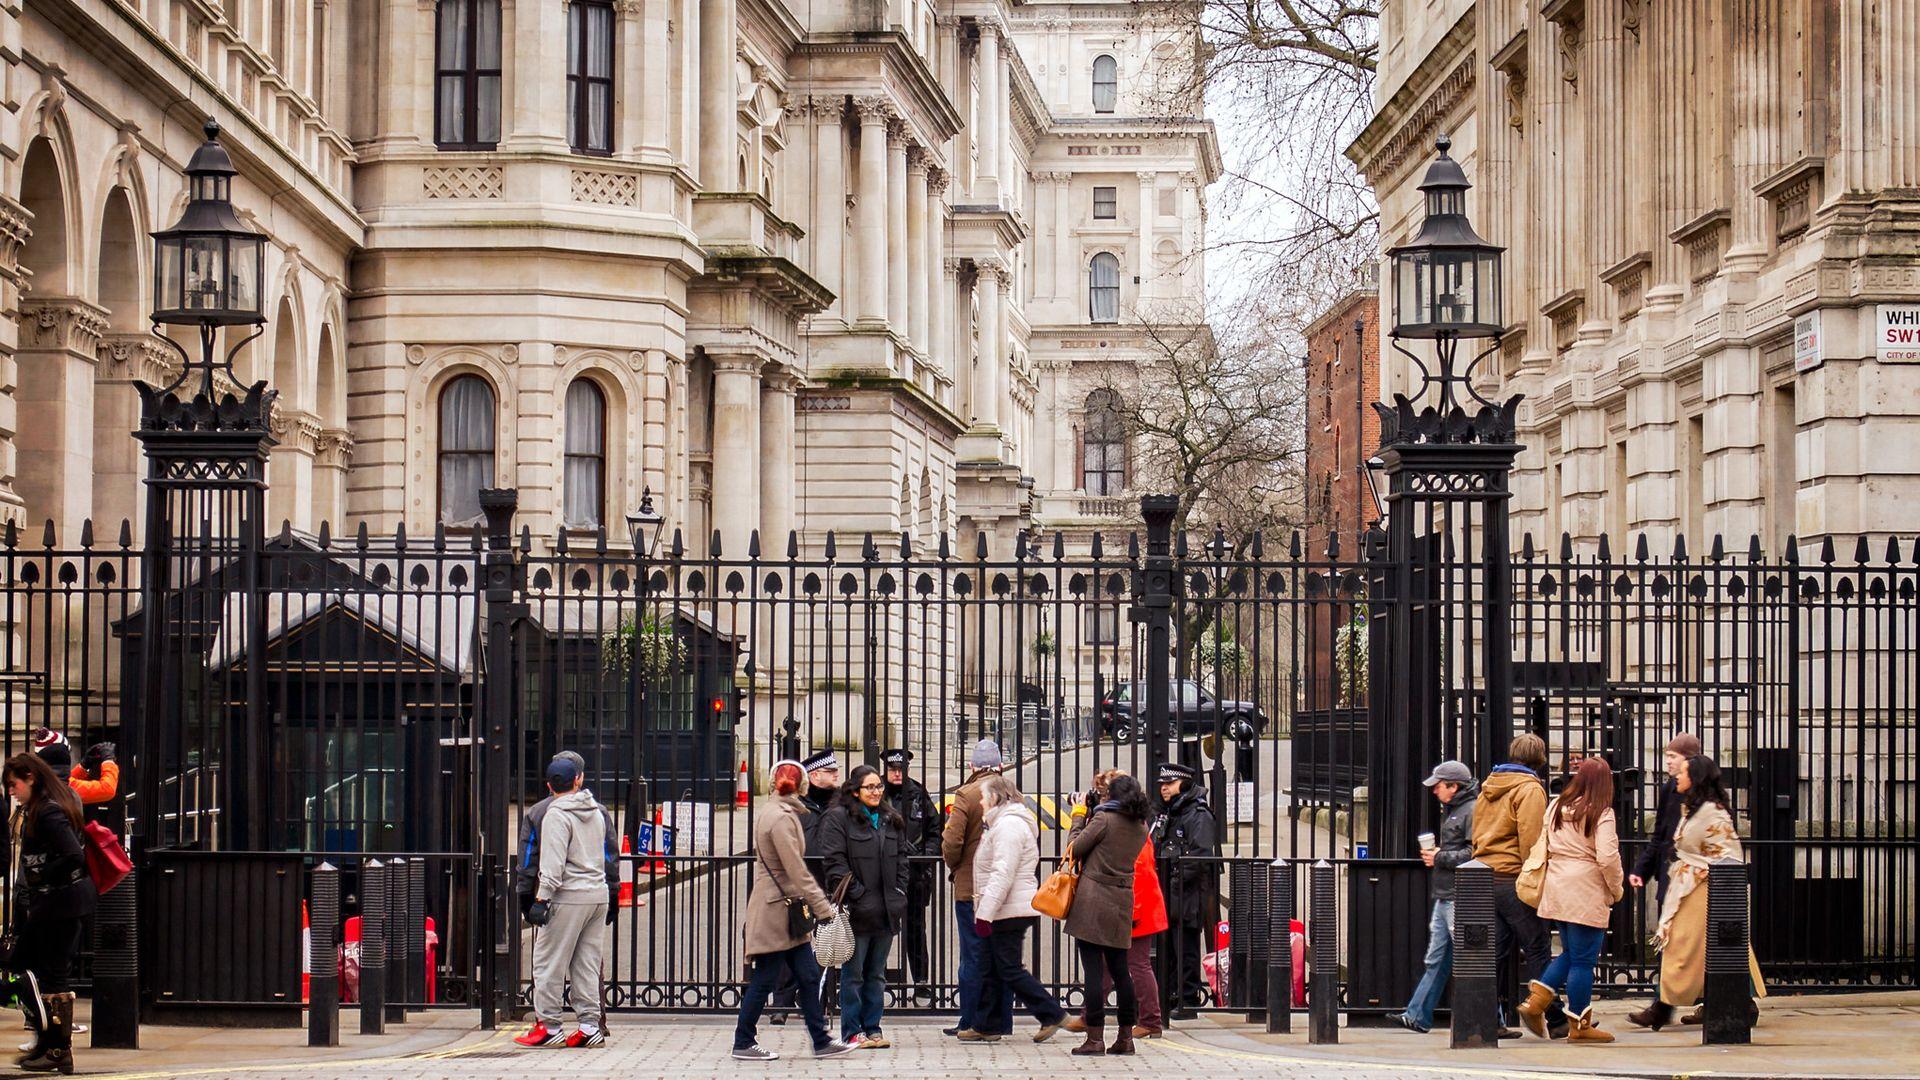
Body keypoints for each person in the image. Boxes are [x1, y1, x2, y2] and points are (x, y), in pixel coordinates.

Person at [1626, 755, 1765, 1032]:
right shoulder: (1694, 807)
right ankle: (1737, 1003)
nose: (1677, 774)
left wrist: (1703, 871)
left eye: (1684, 771)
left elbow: (1729, 854)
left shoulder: (1711, 812)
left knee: (1684, 946)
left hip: (1702, 888)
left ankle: (1664, 1007)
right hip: (1690, 884)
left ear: (1696, 778)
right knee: (1703, 949)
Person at [733, 760, 855, 1061]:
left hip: (785, 909)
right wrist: (823, 907)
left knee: (808, 974)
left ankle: (820, 1039)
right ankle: (743, 1040)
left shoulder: (780, 812)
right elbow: (797, 871)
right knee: (765, 978)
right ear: (801, 785)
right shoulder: (781, 818)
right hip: (777, 910)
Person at [515, 754, 618, 1049]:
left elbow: (552, 864)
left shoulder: (555, 815)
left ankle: (548, 1026)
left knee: (548, 962)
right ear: (578, 779)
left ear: (549, 785)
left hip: (568, 897)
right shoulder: (597, 811)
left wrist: (540, 899)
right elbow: (607, 855)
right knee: (585, 963)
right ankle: (589, 1026)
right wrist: (611, 891)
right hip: (596, 895)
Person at [1520, 758, 1624, 1044]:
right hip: (1585, 888)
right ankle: (1580, 1024)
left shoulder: (1555, 806)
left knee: (1569, 953)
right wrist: (1616, 888)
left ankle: (1535, 1001)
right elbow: (1606, 856)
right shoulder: (1602, 812)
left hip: (1557, 884)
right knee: (1583, 961)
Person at [1471, 733, 1568, 1039]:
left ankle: (1490, 1019)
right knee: (1538, 948)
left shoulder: (1488, 787)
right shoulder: (1529, 790)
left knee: (1497, 952)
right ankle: (1555, 1018)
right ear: (1540, 758)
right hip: (1513, 877)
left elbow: (1477, 831)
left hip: (1486, 876)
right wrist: (1537, 877)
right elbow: (1532, 840)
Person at [6, 752, 96, 1073]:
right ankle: (49, 1045)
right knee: (39, 970)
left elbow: (73, 854)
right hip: (58, 903)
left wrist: (44, 876)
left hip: (62, 902)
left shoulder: (48, 812)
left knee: (37, 968)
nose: (11, 791)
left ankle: (57, 1048)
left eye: (14, 784)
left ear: (31, 777)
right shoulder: (40, 808)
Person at [1065, 769, 1167, 1039]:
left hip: (1136, 906)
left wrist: (1079, 817)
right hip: (1127, 904)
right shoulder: (1138, 822)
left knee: (1136, 965)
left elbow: (1140, 872)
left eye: (1103, 793)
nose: (1100, 798)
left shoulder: (1111, 821)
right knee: (1112, 967)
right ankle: (1093, 1017)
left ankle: (1150, 1020)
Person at [967, 773, 1067, 1043]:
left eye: (983, 797)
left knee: (1009, 968)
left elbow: (1003, 873)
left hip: (1009, 910)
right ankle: (987, 1024)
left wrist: (985, 913)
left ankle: (1052, 1013)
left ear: (995, 797)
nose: (980, 803)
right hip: (1005, 907)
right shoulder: (1002, 823)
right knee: (991, 965)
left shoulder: (1008, 826)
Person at [817, 764, 908, 1049]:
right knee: (853, 974)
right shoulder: (838, 818)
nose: (876, 791)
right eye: (870, 787)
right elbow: (834, 863)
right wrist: (857, 894)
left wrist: (899, 892)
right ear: (855, 790)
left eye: (878, 787)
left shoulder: (889, 818)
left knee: (877, 974)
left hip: (886, 910)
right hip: (857, 911)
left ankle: (873, 1028)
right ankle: (852, 1031)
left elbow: (902, 859)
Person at [1389, 759, 1478, 1034]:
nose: (1434, 791)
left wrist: (1440, 856)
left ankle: (1492, 1019)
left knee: (1470, 958)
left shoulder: (1471, 811)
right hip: (1445, 894)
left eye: (1438, 786)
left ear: (1454, 786)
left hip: (1457, 894)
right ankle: (1417, 1015)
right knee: (1438, 958)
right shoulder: (1455, 810)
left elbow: (1475, 854)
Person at [1628, 733, 1700, 1022]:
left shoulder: (1703, 792)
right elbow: (1660, 834)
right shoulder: (1670, 788)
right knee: (1671, 942)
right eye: (1667, 756)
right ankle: (1663, 1006)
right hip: (1672, 878)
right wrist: (1641, 870)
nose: (1667, 761)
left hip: (1694, 881)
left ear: (1689, 760)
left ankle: (1663, 1007)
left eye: (1673, 757)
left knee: (1693, 945)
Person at [940, 738, 1008, 1037]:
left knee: (973, 955)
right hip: (1004, 890)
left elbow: (951, 843)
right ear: (1001, 766)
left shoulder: (966, 795)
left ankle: (971, 1020)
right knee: (1001, 956)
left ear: (971, 766)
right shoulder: (1014, 796)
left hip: (971, 890)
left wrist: (956, 867)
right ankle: (1001, 1021)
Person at [770, 749, 842, 1024]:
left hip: (832, 884)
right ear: (814, 776)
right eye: (830, 772)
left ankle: (822, 1002)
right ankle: (782, 1003)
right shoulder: (797, 806)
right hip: (799, 885)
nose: (837, 775)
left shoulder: (840, 805)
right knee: (793, 943)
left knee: (828, 945)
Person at [1149, 761, 1217, 1019]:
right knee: (1166, 947)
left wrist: (1173, 882)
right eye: (1162, 785)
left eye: (1170, 784)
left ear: (1185, 783)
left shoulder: (1197, 814)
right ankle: (1168, 996)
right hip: (1166, 892)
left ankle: (1187, 1000)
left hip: (1187, 893)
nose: (1164, 789)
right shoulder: (1169, 813)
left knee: (1185, 946)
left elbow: (1200, 856)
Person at [881, 748, 940, 1002]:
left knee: (915, 928)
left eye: (901, 770)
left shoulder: (918, 794)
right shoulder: (877, 793)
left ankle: (921, 981)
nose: (897, 774)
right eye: (893, 769)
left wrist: (926, 856)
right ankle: (878, 978)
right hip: (884, 874)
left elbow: (936, 830)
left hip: (914, 874)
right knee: (881, 928)